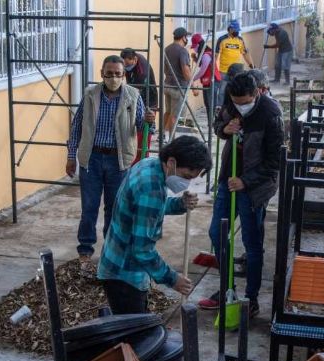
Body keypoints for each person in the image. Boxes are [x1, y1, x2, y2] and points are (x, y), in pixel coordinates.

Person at [198, 73, 284, 318]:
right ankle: (227, 290)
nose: (239, 106)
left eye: (244, 101)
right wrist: (225, 129)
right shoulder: (230, 100)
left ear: (257, 93)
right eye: (236, 101)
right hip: (228, 178)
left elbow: (275, 161)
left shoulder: (271, 113)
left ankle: (251, 299)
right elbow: (217, 126)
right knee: (217, 232)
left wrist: (246, 180)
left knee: (251, 242)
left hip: (255, 188)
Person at [98, 136, 211, 314]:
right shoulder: (150, 188)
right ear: (172, 162)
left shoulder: (150, 165)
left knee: (133, 333)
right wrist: (173, 279)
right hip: (125, 275)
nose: (186, 183)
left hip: (117, 264)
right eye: (187, 176)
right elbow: (142, 250)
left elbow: (148, 209)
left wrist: (179, 204)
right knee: (133, 337)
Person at [66, 56, 156, 266]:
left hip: (119, 160)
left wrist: (149, 122)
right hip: (92, 159)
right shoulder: (90, 95)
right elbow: (77, 127)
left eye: (118, 74)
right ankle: (85, 250)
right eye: (109, 74)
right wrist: (71, 156)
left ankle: (111, 248)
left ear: (123, 75)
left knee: (114, 207)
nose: (113, 78)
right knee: (89, 207)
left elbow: (145, 128)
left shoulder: (133, 96)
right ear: (102, 74)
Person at [121, 48, 158, 163]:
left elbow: (134, 92)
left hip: (148, 102)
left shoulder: (143, 72)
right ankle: (132, 161)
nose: (126, 67)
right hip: (136, 99)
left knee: (143, 135)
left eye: (128, 64)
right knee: (132, 134)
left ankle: (141, 162)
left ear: (135, 59)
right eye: (124, 64)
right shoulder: (131, 61)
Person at [162, 27, 193, 142]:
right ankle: (173, 139)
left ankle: (162, 135)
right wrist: (193, 86)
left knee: (168, 112)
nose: (187, 40)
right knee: (177, 115)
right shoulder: (182, 51)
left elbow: (165, 68)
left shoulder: (167, 49)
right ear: (183, 37)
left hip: (167, 85)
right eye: (186, 37)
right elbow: (185, 70)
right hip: (179, 87)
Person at [215, 20, 254, 110]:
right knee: (222, 91)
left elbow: (245, 53)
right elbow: (216, 55)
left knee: (237, 90)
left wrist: (251, 65)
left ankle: (236, 108)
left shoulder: (240, 40)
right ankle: (220, 109)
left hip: (237, 72)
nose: (237, 32)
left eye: (238, 30)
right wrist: (214, 69)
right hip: (224, 71)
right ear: (230, 29)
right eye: (235, 30)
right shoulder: (222, 40)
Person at [190, 33, 220, 127]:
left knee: (211, 103)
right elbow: (201, 65)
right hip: (207, 81)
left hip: (212, 81)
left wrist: (192, 79)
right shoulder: (204, 54)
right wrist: (195, 59)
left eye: (195, 47)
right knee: (208, 103)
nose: (194, 49)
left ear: (199, 45)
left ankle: (213, 122)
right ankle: (210, 122)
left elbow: (203, 70)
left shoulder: (206, 55)